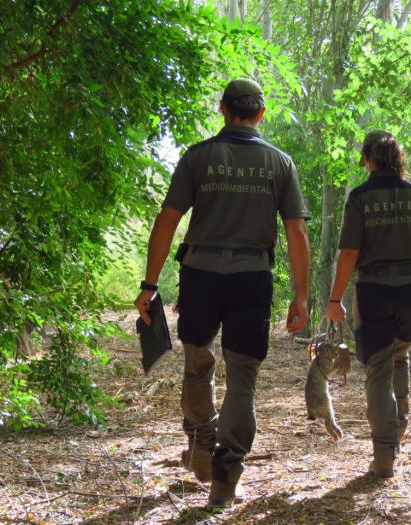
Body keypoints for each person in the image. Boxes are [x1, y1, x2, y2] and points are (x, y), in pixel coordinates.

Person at [134, 78, 310, 507]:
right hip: (253, 277)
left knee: (198, 362)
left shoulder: (198, 157)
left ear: (223, 108)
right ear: (260, 114)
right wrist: (301, 295)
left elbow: (167, 219)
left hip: (200, 274)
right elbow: (296, 230)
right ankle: (224, 477)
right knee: (243, 378)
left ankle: (201, 445)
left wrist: (149, 284)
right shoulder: (280, 163)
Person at [325, 130, 411, 478]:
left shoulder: (360, 198)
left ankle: (384, 456)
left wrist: (335, 299)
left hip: (375, 290)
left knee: (378, 370)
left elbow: (349, 252)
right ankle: (399, 429)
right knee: (400, 356)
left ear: (368, 159)